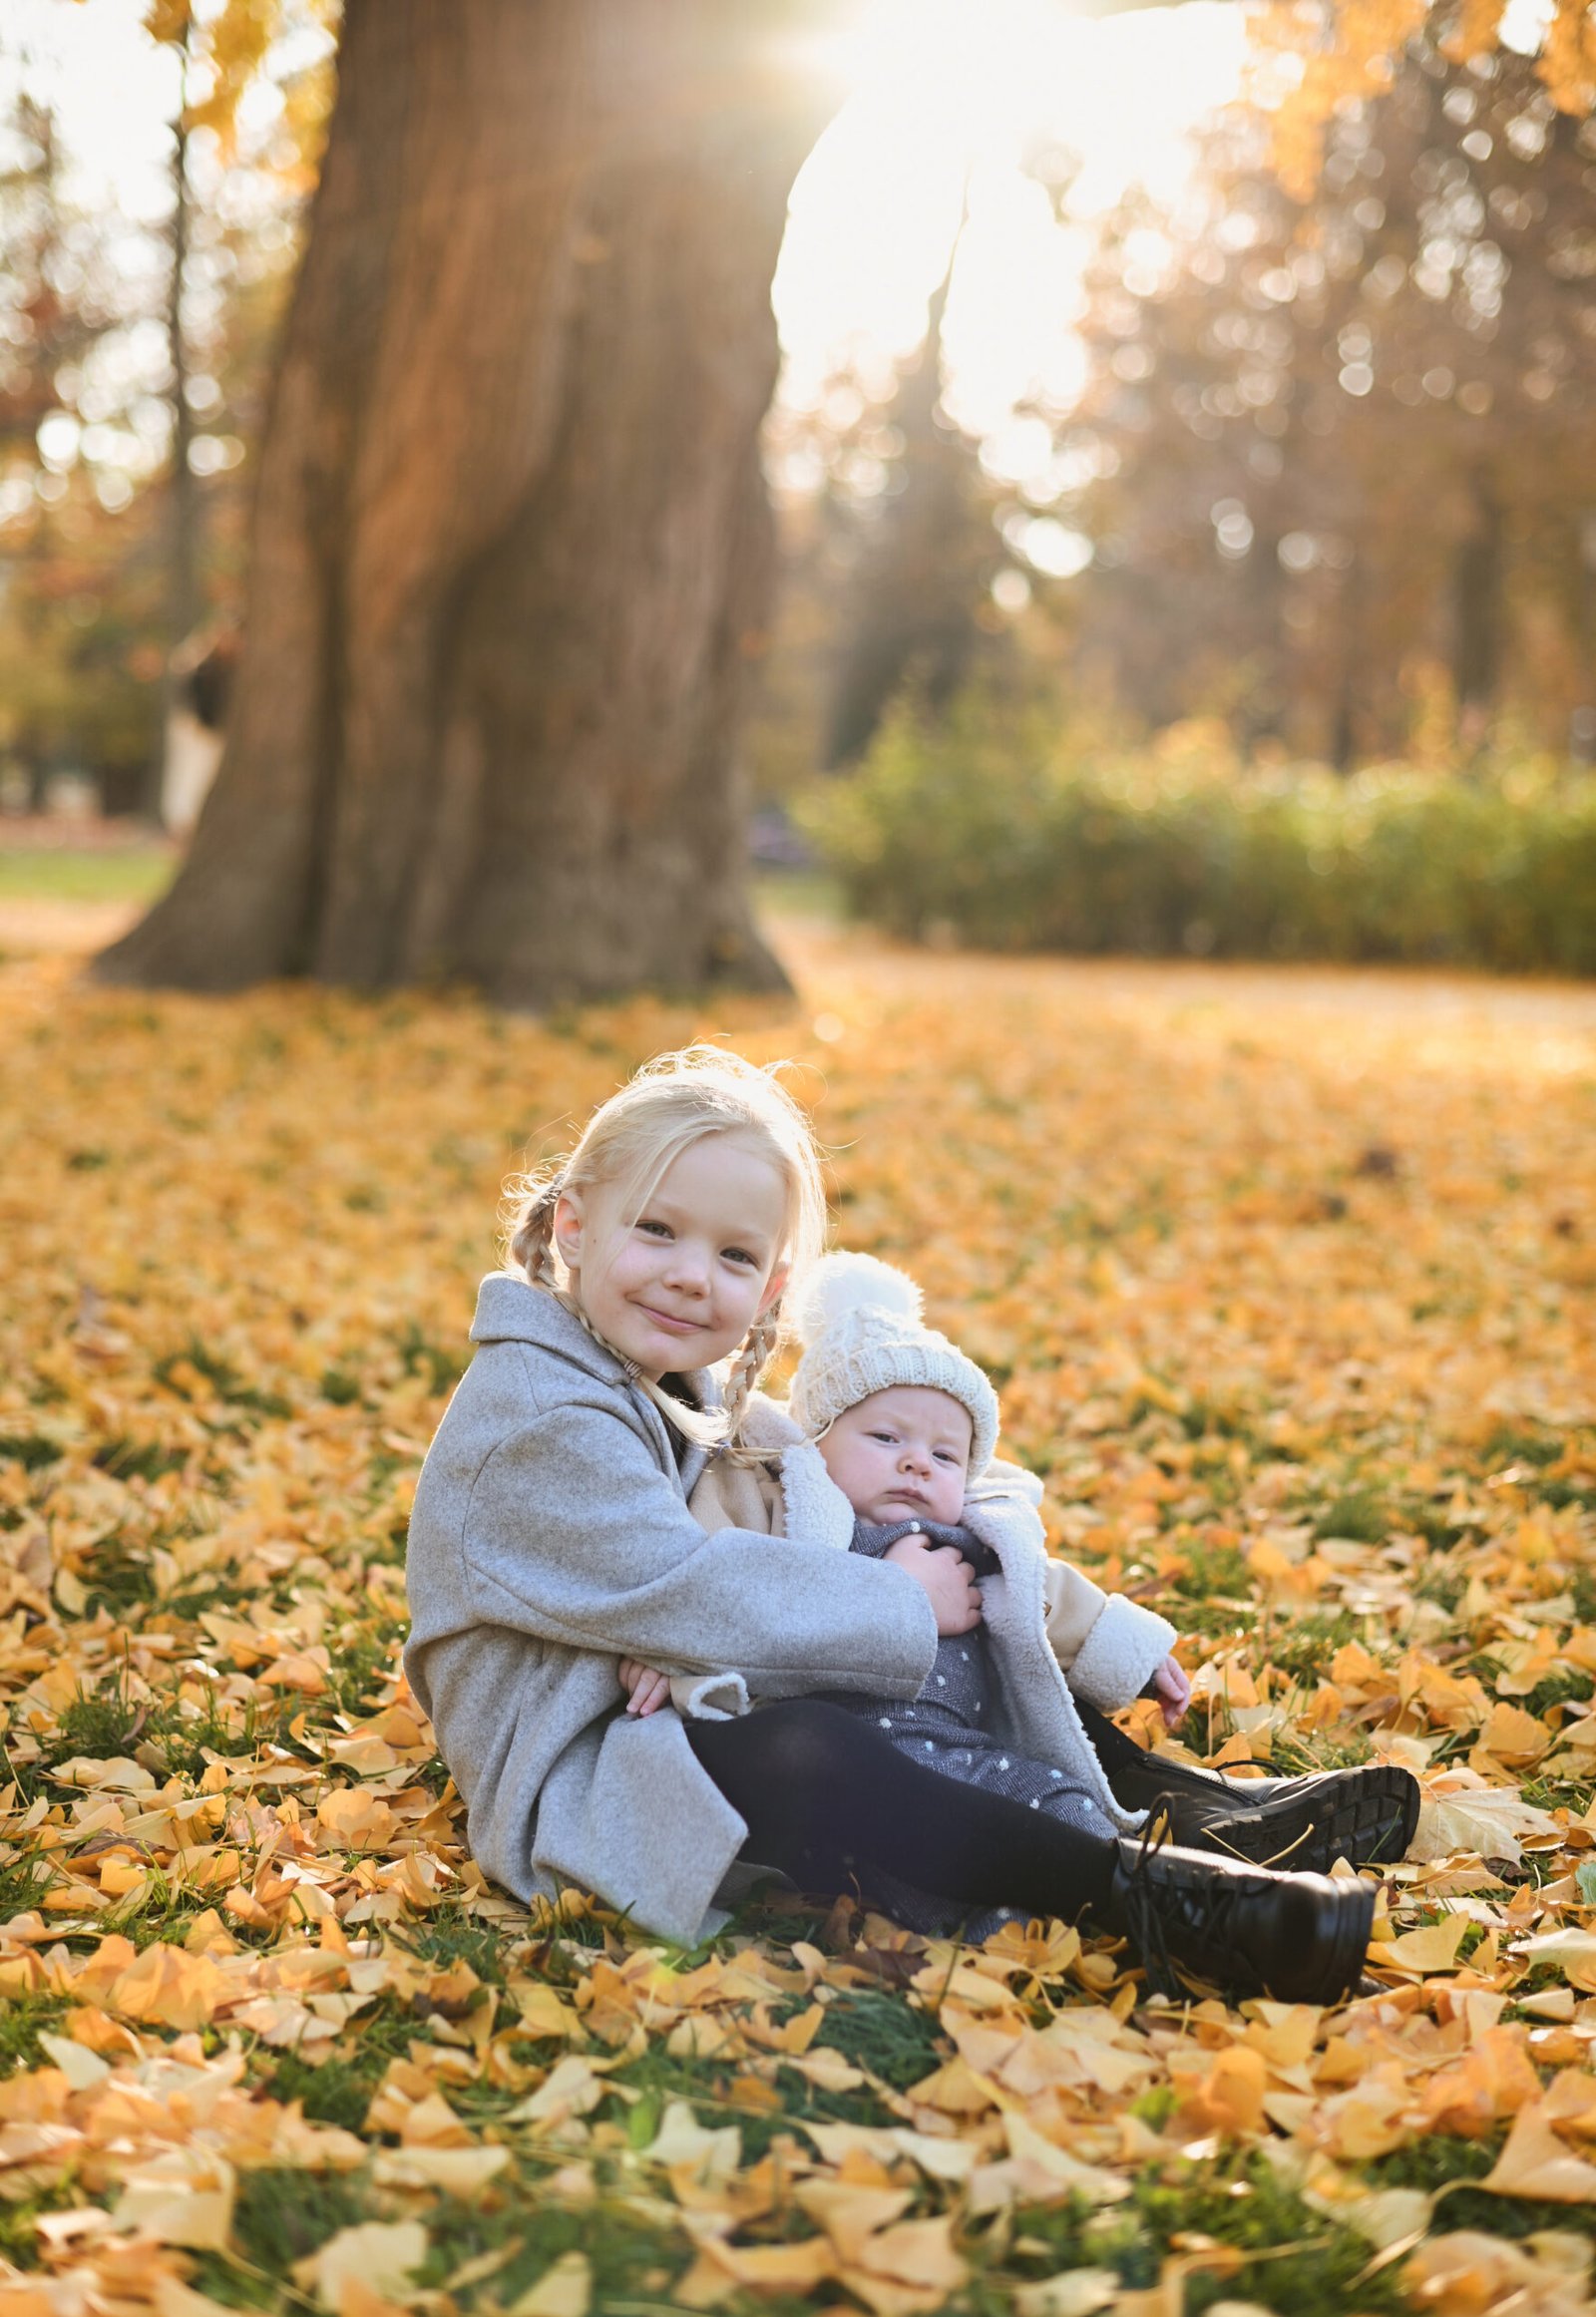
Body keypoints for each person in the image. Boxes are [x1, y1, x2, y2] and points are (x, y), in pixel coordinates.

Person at [404, 1046, 1380, 2005]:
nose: (692, 1275)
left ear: (771, 1288)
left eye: (734, 1254)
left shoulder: (667, 1377)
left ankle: (1184, 1808)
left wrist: (973, 1561)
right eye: (656, 1230)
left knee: (932, 1591)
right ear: (573, 1225)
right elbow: (689, 1589)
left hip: (666, 1697)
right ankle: (1152, 1897)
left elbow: (813, 1497)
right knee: (811, 1744)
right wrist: (892, 1595)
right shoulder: (541, 1414)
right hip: (579, 1769)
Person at [619, 1251, 1418, 1943]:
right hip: (872, 1766)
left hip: (973, 1745)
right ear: (813, 1444)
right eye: (885, 1438)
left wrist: (1128, 1648)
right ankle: (1108, 1897)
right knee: (948, 1847)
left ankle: (1192, 1839)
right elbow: (716, 1580)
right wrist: (674, 1654)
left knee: (1055, 1792)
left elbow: (1044, 1599)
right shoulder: (784, 1509)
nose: (915, 1464)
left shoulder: (964, 1536)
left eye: (943, 1454)